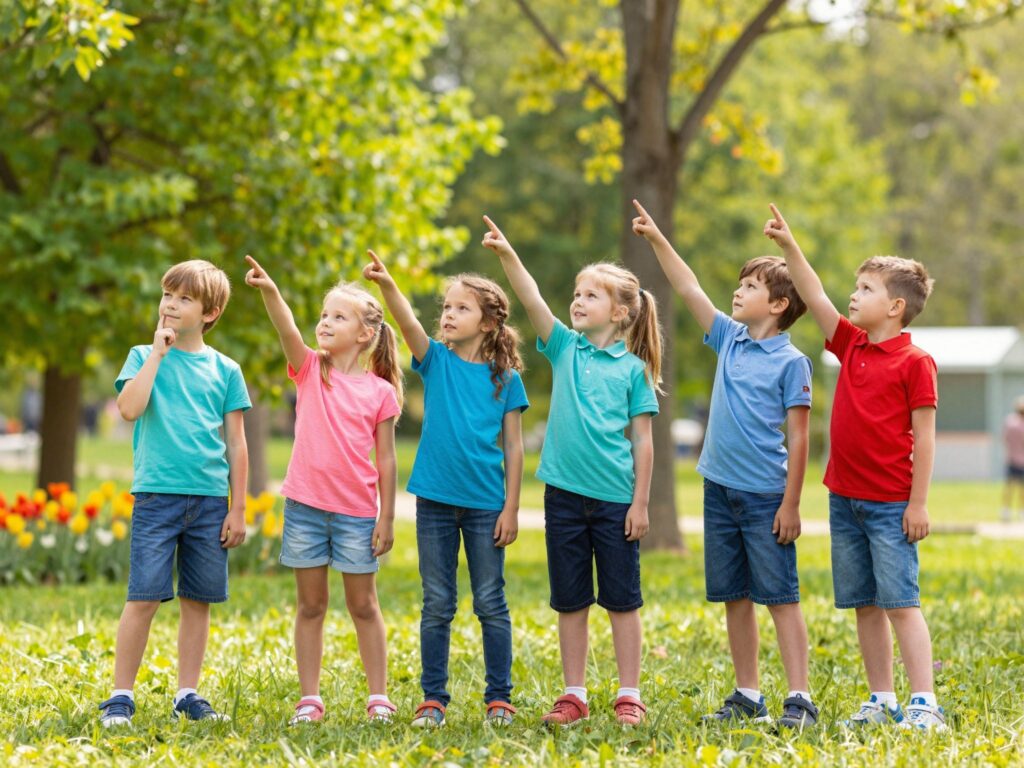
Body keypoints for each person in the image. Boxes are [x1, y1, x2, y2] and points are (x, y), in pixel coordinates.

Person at [632, 199, 818, 729]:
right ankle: (747, 693)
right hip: (719, 491)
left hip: (765, 497)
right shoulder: (729, 339)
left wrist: (791, 503)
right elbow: (689, 287)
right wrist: (657, 239)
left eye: (750, 287)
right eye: (738, 285)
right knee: (734, 595)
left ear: (779, 304)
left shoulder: (791, 362)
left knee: (780, 596)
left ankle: (800, 698)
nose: (736, 292)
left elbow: (799, 438)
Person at [765, 204, 945, 730]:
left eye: (865, 289)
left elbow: (926, 436)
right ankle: (881, 699)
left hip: (892, 506)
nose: (853, 295)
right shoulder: (851, 345)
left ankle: (923, 704)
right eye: (856, 287)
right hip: (844, 500)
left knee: (901, 603)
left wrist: (918, 502)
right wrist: (789, 246)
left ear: (894, 306)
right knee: (864, 604)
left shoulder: (915, 363)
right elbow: (815, 295)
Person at [483, 215, 662, 727]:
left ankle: (629, 693)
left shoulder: (632, 370)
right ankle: (574, 694)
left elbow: (643, 441)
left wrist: (641, 502)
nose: (577, 301)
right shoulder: (563, 347)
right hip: (562, 497)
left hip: (615, 500)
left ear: (621, 312)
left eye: (590, 296)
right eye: (577, 293)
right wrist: (506, 254)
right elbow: (533, 297)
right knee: (571, 599)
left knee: (623, 600)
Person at [364, 251, 528, 727]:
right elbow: (407, 320)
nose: (449, 315)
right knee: (437, 603)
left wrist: (512, 508)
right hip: (434, 502)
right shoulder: (434, 360)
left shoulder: (506, 380)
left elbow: (514, 448)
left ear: (489, 321)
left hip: (485, 505)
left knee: (490, 602)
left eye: (461, 308)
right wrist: (388, 284)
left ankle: (499, 698)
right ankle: (432, 699)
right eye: (447, 307)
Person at [244, 255, 402, 725]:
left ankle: (379, 697)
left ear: (364, 334)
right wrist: (271, 292)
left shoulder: (380, 392)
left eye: (338, 316)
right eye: (323, 315)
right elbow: (287, 329)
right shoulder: (312, 369)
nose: (325, 323)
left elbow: (388, 458)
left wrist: (387, 516)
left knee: (363, 605)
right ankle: (309, 699)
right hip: (305, 509)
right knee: (310, 605)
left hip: (356, 514)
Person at [98, 260, 251, 727]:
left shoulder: (225, 369)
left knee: (197, 600)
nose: (171, 305)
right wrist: (157, 355)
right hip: (156, 498)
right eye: (168, 295)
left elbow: (237, 443)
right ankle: (120, 696)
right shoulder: (141, 356)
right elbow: (128, 409)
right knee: (143, 597)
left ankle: (188, 693)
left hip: (208, 501)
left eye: (185, 298)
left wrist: (238, 507)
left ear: (210, 313)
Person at [1001, 396, 1024, 522]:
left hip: (1011, 459)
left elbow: (1005, 438)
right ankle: (1021, 511)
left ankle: (1006, 511)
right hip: (1022, 461)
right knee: (1022, 489)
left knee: (1009, 487)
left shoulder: (1009, 422)